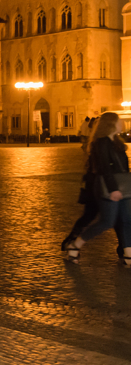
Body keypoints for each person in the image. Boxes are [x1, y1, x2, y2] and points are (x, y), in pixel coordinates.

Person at [66, 112, 131, 266]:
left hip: (124, 187)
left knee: (127, 220)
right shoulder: (101, 142)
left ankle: (128, 255)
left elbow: (123, 169)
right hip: (107, 187)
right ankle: (75, 245)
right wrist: (114, 189)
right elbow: (103, 168)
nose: (122, 123)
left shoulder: (118, 142)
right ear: (111, 124)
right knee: (106, 222)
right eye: (119, 121)